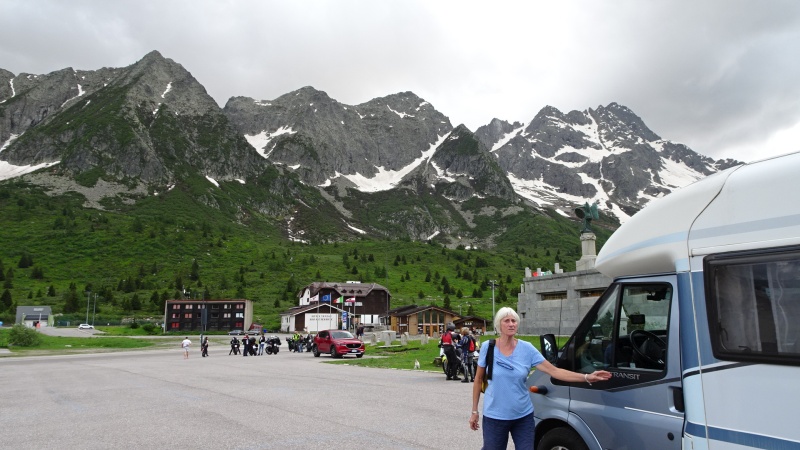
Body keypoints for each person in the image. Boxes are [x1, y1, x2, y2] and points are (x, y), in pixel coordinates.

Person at [469, 307, 611, 449]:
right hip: (495, 416)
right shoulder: (488, 347)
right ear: (499, 325)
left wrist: (587, 377)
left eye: (514, 321)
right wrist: (475, 411)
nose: (511, 324)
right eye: (507, 321)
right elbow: (478, 380)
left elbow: (554, 371)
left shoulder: (527, 349)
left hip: (522, 416)